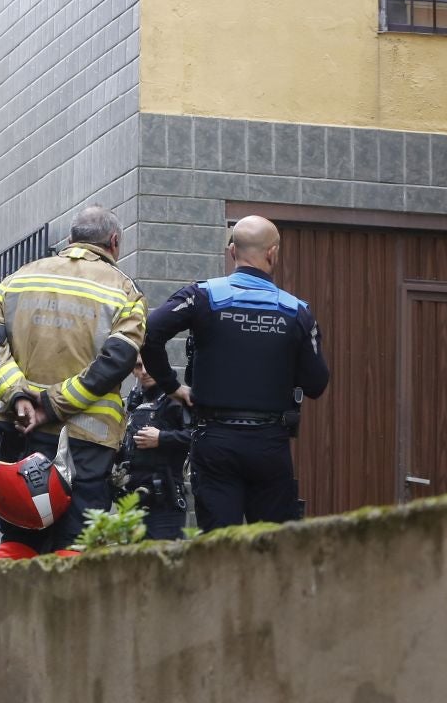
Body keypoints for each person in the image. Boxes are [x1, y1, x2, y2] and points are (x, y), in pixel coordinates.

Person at [0, 204, 148, 559]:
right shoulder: (126, 292)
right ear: (114, 242)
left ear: (70, 240)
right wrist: (52, 406)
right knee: (78, 540)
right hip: (89, 438)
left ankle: (3, 610)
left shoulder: (18, 278)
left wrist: (19, 396)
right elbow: (114, 364)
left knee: (20, 532)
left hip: (22, 429)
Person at [139, 214, 331, 531]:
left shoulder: (201, 296)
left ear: (232, 253)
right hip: (270, 443)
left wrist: (172, 386)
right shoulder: (297, 310)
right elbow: (316, 384)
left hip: (215, 441)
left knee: (218, 545)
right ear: (273, 254)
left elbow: (150, 334)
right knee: (270, 546)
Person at [120, 363, 195, 540]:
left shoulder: (176, 397)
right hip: (133, 502)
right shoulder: (135, 400)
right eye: (139, 366)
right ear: (132, 370)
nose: (145, 371)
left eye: (149, 364)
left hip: (165, 501)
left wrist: (162, 438)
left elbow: (199, 436)